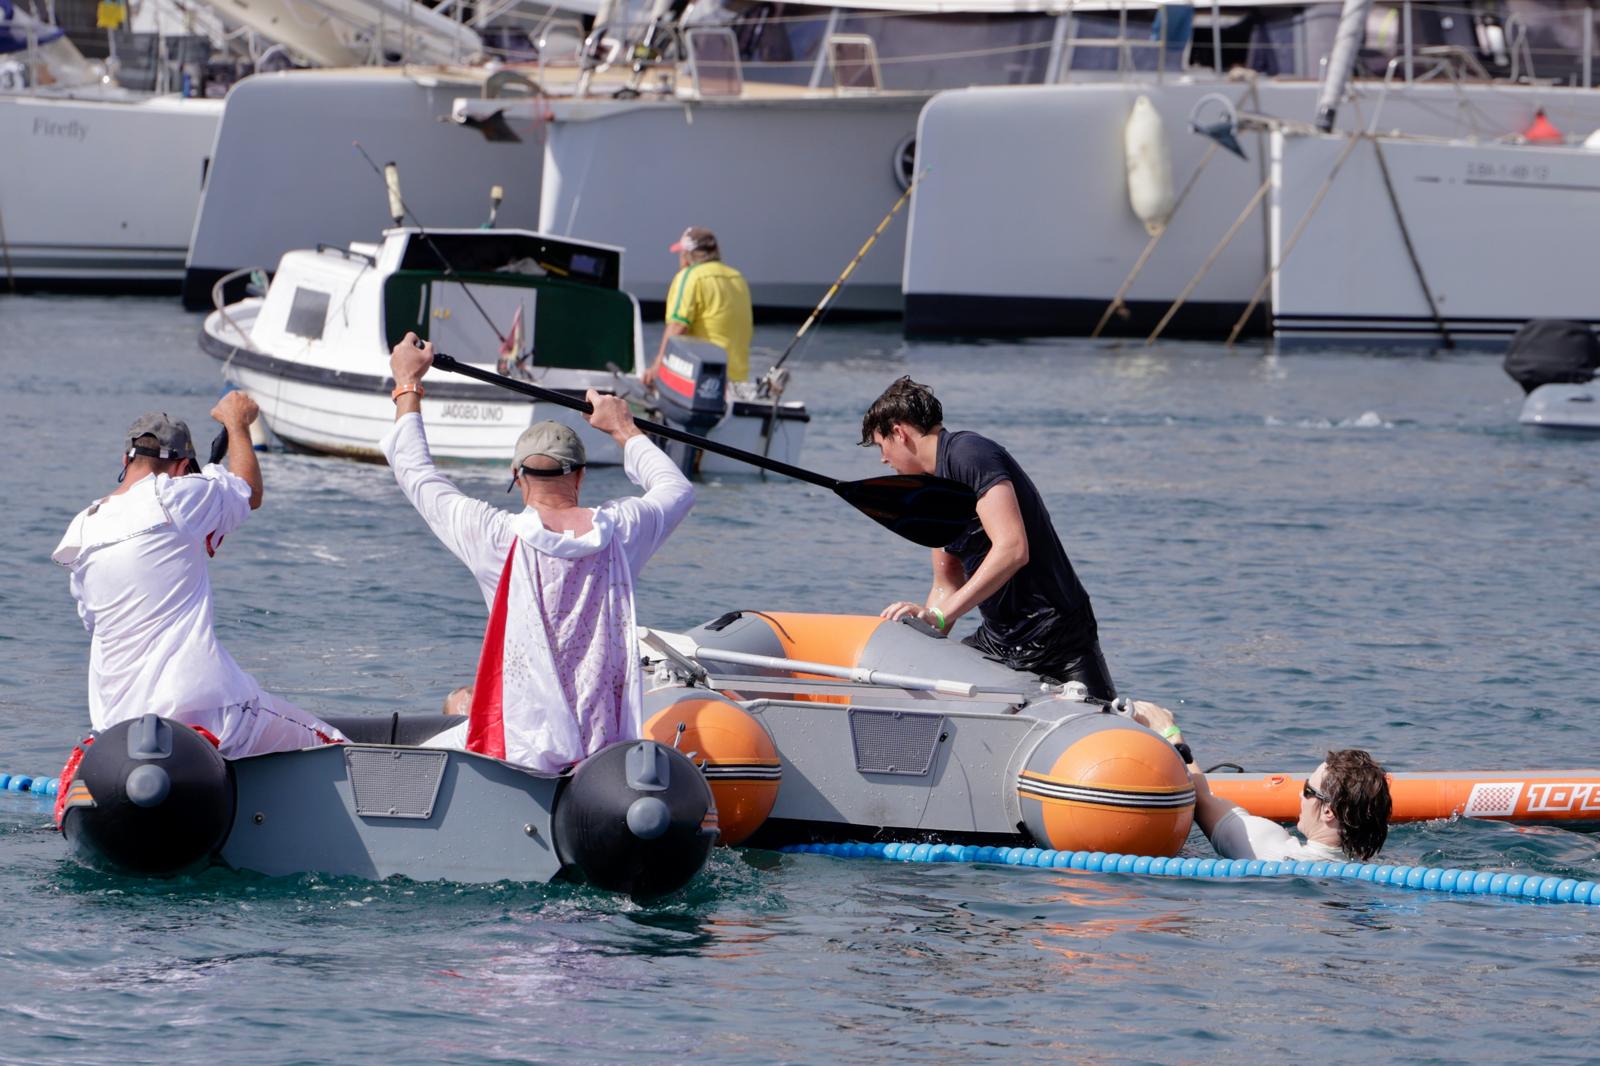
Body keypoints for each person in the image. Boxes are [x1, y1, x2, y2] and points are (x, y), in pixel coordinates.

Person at [382, 332, 695, 772]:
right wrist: (624, 428)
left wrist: (407, 384)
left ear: (517, 476)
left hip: (516, 749)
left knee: (412, 752)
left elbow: (414, 470)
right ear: (581, 477)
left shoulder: (494, 535)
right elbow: (676, 490)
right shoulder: (621, 531)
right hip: (605, 752)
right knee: (461, 703)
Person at [52, 396, 348, 757]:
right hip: (213, 713)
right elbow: (248, 492)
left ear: (125, 459)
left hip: (118, 723)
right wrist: (237, 423)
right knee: (337, 747)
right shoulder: (177, 495)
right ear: (180, 467)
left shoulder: (84, 526)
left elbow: (92, 623)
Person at [860, 376, 1116, 700]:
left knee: (1107, 718)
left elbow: (1012, 549)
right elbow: (946, 582)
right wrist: (924, 630)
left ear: (899, 432)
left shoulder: (969, 454)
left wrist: (941, 615)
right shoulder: (932, 490)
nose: (884, 460)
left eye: (881, 447)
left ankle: (1155, 720)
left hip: (1057, 634)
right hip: (999, 641)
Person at [1129, 701, 1392, 862]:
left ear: (1328, 811)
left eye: (1307, 790)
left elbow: (1202, 799)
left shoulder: (1270, 849)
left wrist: (1168, 730)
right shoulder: (1373, 871)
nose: (1301, 796)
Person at [642, 226, 753, 387]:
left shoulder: (690, 277)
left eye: (681, 253)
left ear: (687, 255)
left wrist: (656, 367)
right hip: (738, 382)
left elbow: (678, 325)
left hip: (703, 380)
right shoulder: (737, 278)